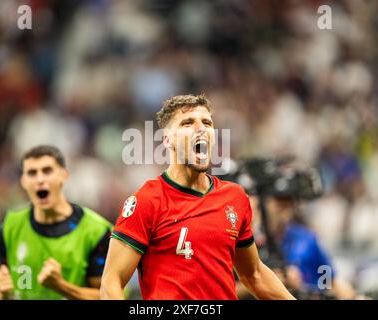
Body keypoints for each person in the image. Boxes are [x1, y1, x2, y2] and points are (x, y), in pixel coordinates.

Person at [100, 94, 295, 300]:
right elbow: (111, 282)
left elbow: (254, 274)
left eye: (207, 123)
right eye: (187, 123)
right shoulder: (147, 201)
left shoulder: (235, 197)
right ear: (168, 140)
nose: (200, 128)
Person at [0, 145, 113, 300]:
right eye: (32, 173)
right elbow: (3, 289)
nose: (40, 179)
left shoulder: (97, 231)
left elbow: (109, 296)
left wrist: (61, 286)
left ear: (64, 175)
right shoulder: (9, 225)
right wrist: (2, 294)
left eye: (47, 171)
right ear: (23, 181)